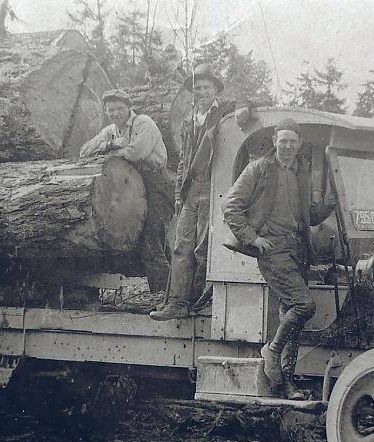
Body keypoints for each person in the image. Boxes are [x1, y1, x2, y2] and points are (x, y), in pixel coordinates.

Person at [222, 118, 335, 399]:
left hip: (297, 250)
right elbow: (231, 205)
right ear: (274, 142)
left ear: (298, 145)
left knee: (291, 318)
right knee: (304, 305)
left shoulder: (300, 171)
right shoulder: (259, 168)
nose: (287, 146)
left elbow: (307, 213)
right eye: (282, 141)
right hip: (272, 251)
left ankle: (286, 384)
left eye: (292, 142)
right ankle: (271, 351)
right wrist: (252, 238)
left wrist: (330, 206)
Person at [150, 63, 235, 321]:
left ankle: (197, 303)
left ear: (215, 89)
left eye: (206, 87)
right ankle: (176, 303)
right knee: (180, 246)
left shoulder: (225, 114)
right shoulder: (189, 121)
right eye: (197, 88)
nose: (201, 92)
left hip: (214, 188)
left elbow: (248, 105)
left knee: (203, 248)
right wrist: (178, 194)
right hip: (191, 191)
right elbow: (184, 161)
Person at [80, 89, 173, 294]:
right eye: (110, 110)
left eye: (119, 108)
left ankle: (165, 296)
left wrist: (111, 153)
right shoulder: (111, 130)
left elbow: (136, 153)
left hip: (157, 186)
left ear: (129, 107)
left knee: (152, 240)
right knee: (155, 243)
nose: (115, 113)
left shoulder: (143, 123)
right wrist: (112, 144)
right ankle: (176, 291)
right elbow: (85, 150)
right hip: (132, 188)